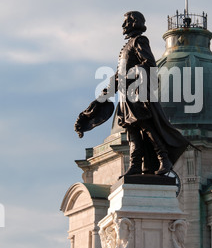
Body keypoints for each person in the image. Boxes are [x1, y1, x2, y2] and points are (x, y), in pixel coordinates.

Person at [75, 11, 189, 176]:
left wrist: (128, 74)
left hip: (136, 95)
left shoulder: (140, 41)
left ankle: (164, 159)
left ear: (135, 23)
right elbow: (117, 77)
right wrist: (100, 99)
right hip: (126, 98)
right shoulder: (127, 46)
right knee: (133, 132)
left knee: (147, 127)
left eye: (126, 22)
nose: (123, 26)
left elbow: (148, 64)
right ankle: (136, 165)